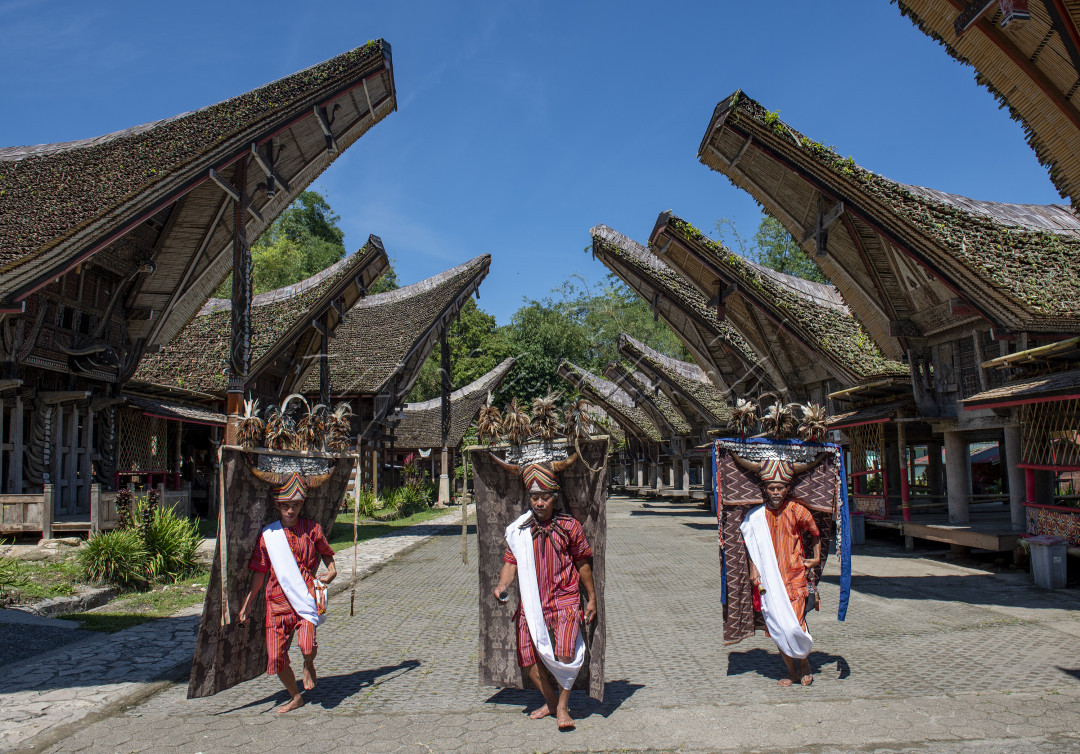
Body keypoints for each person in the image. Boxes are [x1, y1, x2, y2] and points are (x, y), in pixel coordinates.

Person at [493, 462, 597, 731]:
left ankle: (563, 706)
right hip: (532, 600)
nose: (539, 503)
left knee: (565, 653)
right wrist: (502, 585)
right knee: (527, 656)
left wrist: (592, 598)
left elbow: (583, 563)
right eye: (534, 497)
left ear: (555, 497)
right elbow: (510, 562)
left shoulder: (569, 526)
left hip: (565, 596)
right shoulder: (519, 530)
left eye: (545, 497)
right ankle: (551, 702)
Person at [238, 473, 337, 712]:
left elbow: (326, 552)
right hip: (276, 602)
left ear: (301, 505)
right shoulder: (268, 536)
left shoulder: (312, 529)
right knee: (275, 658)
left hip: (305, 598)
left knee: (307, 646)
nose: (290, 510)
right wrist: (248, 603)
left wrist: (332, 570)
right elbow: (260, 572)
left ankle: (308, 664)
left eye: (294, 505)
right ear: (277, 506)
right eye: (285, 506)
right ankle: (295, 696)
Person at [732, 455, 822, 688]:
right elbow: (752, 548)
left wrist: (816, 558)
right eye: (771, 487)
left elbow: (815, 532)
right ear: (765, 489)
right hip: (768, 582)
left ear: (787, 488)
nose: (775, 492)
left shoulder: (797, 511)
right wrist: (754, 570)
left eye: (780, 487)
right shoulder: (755, 517)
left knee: (795, 624)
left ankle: (805, 665)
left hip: (794, 578)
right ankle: (792, 672)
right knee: (776, 627)